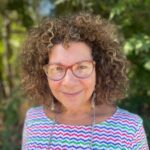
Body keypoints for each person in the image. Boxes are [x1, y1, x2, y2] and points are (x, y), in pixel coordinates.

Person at [21, 12, 149, 150]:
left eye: (81, 67)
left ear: (99, 69)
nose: (69, 82)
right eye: (57, 68)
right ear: (43, 73)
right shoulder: (33, 119)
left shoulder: (129, 130)